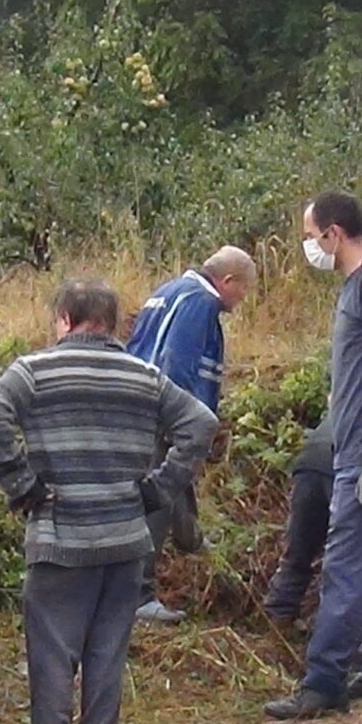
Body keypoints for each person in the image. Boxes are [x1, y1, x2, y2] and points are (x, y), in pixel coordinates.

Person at [0, 279, 217, 724]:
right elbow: (200, 422)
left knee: (53, 654)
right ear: (113, 323)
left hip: (61, 536)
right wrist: (158, 489)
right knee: (108, 652)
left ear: (63, 318)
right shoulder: (143, 375)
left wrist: (21, 485)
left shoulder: (34, 372)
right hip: (126, 539)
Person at [265, 192, 362, 720]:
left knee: (346, 565)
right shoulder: (357, 285)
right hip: (354, 446)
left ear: (333, 233)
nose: (309, 246)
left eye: (311, 236)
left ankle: (323, 681)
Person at [125, 246, 259, 623]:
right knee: (159, 495)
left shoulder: (169, 291)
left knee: (176, 479)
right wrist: (182, 420)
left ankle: (191, 540)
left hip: (138, 405)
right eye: (243, 290)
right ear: (227, 280)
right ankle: (139, 596)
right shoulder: (201, 302)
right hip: (159, 412)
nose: (242, 299)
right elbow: (175, 362)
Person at [260, 416, 337, 623]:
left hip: (309, 459)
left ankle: (278, 616)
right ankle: (329, 631)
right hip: (345, 462)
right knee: (352, 561)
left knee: (298, 552)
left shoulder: (356, 393)